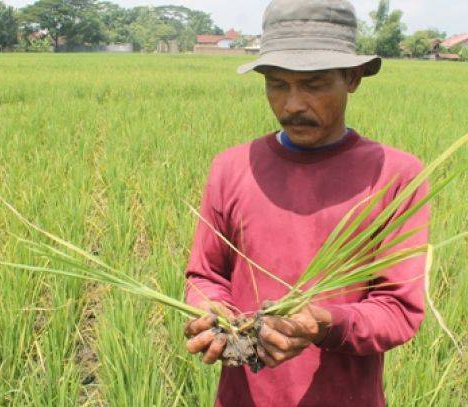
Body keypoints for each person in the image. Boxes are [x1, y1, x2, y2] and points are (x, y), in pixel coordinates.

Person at [183, 1, 429, 406]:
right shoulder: (230, 168)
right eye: (277, 84)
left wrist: (323, 324)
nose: (291, 104)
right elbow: (204, 275)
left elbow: (398, 309)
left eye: (312, 84)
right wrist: (211, 314)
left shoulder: (395, 176)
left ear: (352, 78)